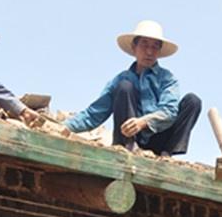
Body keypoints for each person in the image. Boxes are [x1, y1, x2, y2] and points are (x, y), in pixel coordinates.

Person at [64, 20, 201, 156]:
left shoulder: (167, 79)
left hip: (159, 140)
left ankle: (167, 155)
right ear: (134, 47)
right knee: (124, 86)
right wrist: (66, 127)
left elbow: (169, 111)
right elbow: (95, 112)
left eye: (154, 47)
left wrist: (144, 122)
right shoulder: (121, 79)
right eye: (144, 44)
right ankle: (128, 146)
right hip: (129, 136)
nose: (149, 51)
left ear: (159, 51)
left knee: (192, 101)